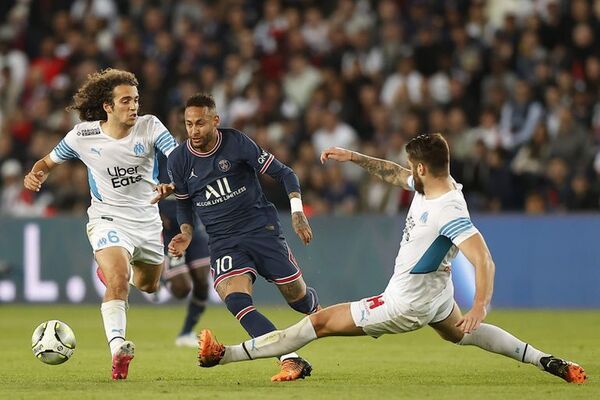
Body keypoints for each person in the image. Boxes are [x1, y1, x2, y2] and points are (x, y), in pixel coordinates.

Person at [197, 133, 587, 384]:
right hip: (436, 295)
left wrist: (481, 304)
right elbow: (392, 173)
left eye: (411, 166)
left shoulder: (447, 211)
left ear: (422, 168)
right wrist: (353, 156)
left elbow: (484, 259)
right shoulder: (437, 184)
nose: (407, 173)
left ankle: (225, 355)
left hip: (405, 302)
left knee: (319, 322)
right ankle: (547, 361)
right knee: (459, 334)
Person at [23, 68, 177, 380]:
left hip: (147, 222)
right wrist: (36, 173)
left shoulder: (149, 127)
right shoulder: (83, 136)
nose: (133, 107)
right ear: (108, 106)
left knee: (148, 285)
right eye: (125, 101)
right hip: (108, 219)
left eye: (135, 100)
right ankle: (118, 348)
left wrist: (171, 181)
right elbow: (48, 161)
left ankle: (112, 268)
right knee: (119, 279)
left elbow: (177, 156)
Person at [160, 93, 321, 382]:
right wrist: (185, 232)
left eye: (200, 123)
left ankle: (318, 310)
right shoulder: (179, 160)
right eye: (188, 124)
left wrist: (297, 212)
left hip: (261, 230)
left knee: (298, 299)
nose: (194, 131)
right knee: (235, 300)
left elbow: (286, 174)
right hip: (223, 241)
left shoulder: (237, 143)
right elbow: (184, 203)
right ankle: (290, 359)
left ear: (215, 121)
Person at [157, 151, 212, 348]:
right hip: (170, 231)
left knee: (202, 282)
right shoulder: (157, 157)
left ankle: (186, 332)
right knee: (182, 289)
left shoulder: (196, 154)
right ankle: (159, 279)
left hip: (193, 227)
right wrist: (156, 213)